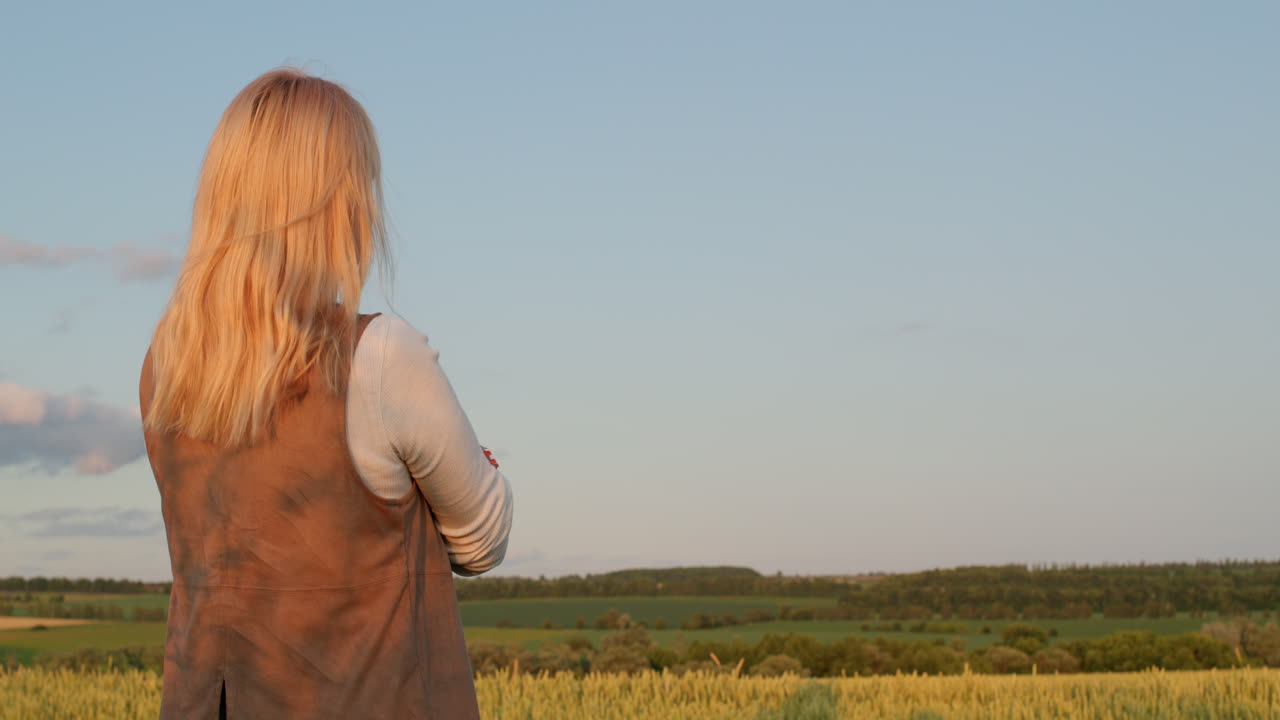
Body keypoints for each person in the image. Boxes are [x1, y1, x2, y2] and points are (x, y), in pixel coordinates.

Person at [138, 67, 513, 720]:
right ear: (334, 202)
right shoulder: (382, 357)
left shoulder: (167, 368)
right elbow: (483, 543)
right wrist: (476, 464)